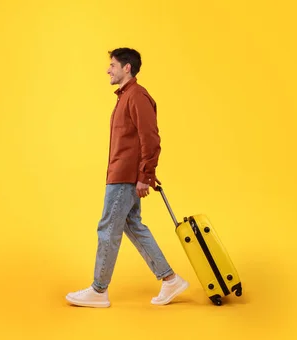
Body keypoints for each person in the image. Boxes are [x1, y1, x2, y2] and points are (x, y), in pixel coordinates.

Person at [65, 48, 189, 308]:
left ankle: (99, 290)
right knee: (133, 226)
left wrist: (146, 176)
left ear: (126, 68)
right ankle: (170, 279)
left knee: (107, 228)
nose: (108, 70)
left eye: (112, 65)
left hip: (125, 177)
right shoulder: (125, 97)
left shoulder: (137, 96)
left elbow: (151, 139)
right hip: (121, 174)